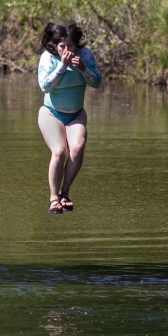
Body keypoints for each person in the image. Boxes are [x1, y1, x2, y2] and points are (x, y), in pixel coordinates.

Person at [37, 22, 101, 214]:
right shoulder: (48, 58)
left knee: (78, 146)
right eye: (62, 46)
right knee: (59, 151)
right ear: (55, 46)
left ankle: (65, 193)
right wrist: (62, 67)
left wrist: (83, 69)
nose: (67, 50)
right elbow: (45, 86)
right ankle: (53, 197)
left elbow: (97, 82)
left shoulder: (86, 55)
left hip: (76, 114)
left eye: (71, 46)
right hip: (51, 113)